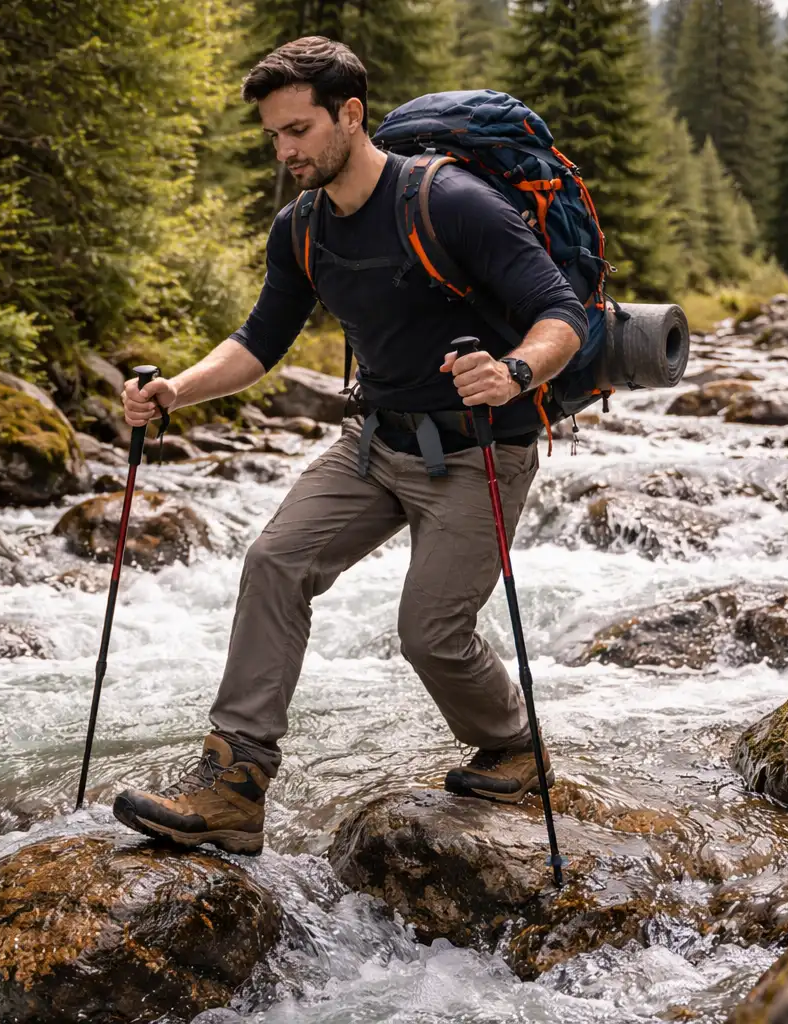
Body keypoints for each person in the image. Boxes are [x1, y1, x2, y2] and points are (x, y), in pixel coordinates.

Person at [111, 36, 586, 855]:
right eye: (274, 136)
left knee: (428, 635)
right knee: (274, 561)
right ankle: (235, 782)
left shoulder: (453, 204)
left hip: (481, 449)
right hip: (374, 443)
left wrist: (513, 372)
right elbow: (261, 340)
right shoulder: (301, 229)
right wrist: (175, 393)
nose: (286, 150)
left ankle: (514, 745)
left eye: (299, 130)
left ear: (351, 114)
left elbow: (564, 316)